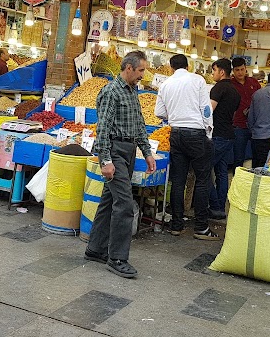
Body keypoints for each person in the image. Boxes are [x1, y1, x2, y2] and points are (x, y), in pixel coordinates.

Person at [85, 51, 155, 279]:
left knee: (108, 202)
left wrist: (147, 152)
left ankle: (95, 248)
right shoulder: (111, 92)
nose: (143, 75)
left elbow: (139, 123)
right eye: (141, 70)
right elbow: (103, 128)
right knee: (124, 204)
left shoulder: (132, 90)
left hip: (129, 150)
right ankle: (117, 258)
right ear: (128, 68)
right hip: (114, 151)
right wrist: (105, 160)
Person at [154, 53, 218, 240]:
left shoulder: (165, 84)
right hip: (196, 133)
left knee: (178, 180)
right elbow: (206, 109)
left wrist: (173, 115)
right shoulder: (197, 80)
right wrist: (208, 132)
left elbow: (159, 112)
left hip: (176, 133)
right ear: (188, 66)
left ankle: (176, 225)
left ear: (171, 67)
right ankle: (201, 228)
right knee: (202, 179)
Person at [207, 58, 241, 220]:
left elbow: (208, 113)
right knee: (221, 173)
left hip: (218, 136)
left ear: (221, 72)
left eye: (214, 70)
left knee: (204, 169)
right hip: (229, 135)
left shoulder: (218, 89)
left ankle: (214, 206)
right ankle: (220, 208)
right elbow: (231, 114)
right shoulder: (235, 91)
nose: (212, 73)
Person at [229, 56, 261, 168]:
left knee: (256, 155)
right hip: (238, 125)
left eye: (242, 69)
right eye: (237, 70)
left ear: (246, 68)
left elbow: (261, 100)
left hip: (255, 125)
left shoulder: (254, 82)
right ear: (233, 71)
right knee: (238, 157)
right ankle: (236, 181)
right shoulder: (230, 85)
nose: (240, 72)